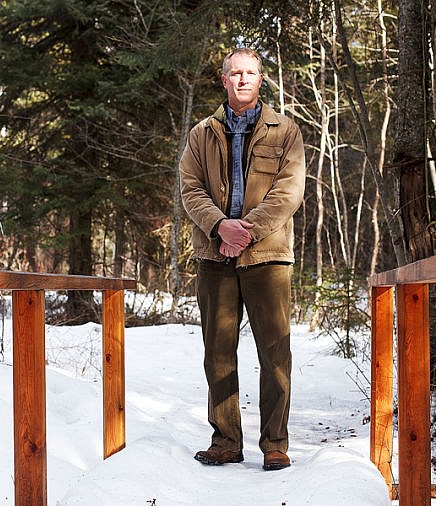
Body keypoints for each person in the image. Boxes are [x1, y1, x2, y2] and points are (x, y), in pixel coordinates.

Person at [179, 47, 306, 471]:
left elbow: (289, 193)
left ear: (261, 79)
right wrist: (220, 227)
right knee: (218, 350)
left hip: (267, 255)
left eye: (250, 72)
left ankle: (275, 443)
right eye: (235, 72)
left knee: (275, 353)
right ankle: (226, 440)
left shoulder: (285, 131)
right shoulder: (201, 134)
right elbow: (190, 189)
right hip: (215, 255)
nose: (243, 79)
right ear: (224, 79)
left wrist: (245, 230)